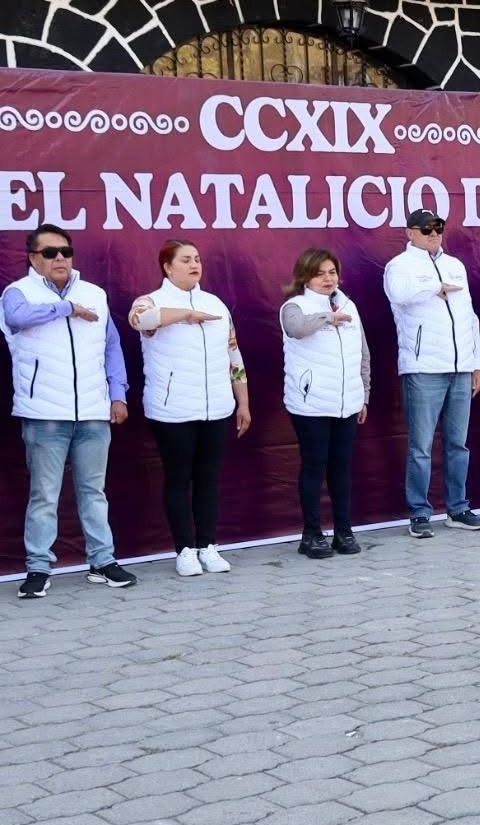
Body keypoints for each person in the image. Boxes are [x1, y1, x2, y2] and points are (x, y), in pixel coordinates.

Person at [3, 224, 137, 599]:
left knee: (94, 491)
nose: (60, 258)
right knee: (45, 494)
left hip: (93, 411)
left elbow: (112, 346)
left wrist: (118, 395)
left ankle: (102, 561)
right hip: (44, 413)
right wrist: (66, 308)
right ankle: (38, 568)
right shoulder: (18, 293)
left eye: (65, 250)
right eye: (50, 252)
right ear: (33, 258)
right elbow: (16, 319)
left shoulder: (94, 293)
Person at [128, 239, 252, 577]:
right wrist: (184, 314)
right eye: (185, 260)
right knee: (179, 478)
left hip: (216, 407)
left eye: (197, 259)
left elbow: (233, 354)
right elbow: (137, 319)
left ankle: (207, 546)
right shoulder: (153, 300)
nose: (194, 264)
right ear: (168, 267)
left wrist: (243, 401)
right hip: (173, 410)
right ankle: (183, 548)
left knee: (209, 477)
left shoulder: (216, 304)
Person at [383, 209, 480, 539]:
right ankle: (419, 512)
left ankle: (457, 507)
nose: (433, 233)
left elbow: (470, 317)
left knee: (458, 444)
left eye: (438, 228)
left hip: (459, 367)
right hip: (423, 367)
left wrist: (476, 362)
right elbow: (399, 296)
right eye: (426, 229)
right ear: (410, 232)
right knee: (421, 447)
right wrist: (433, 287)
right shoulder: (399, 266)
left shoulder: (455, 265)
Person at [280, 248, 371, 558]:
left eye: (332, 272)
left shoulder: (349, 304)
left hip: (347, 403)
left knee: (341, 469)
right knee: (314, 467)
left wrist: (363, 395)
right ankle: (312, 534)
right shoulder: (295, 306)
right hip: (311, 405)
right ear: (306, 276)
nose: (328, 278)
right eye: (320, 273)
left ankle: (343, 531)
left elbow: (363, 352)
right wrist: (327, 318)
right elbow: (297, 329)